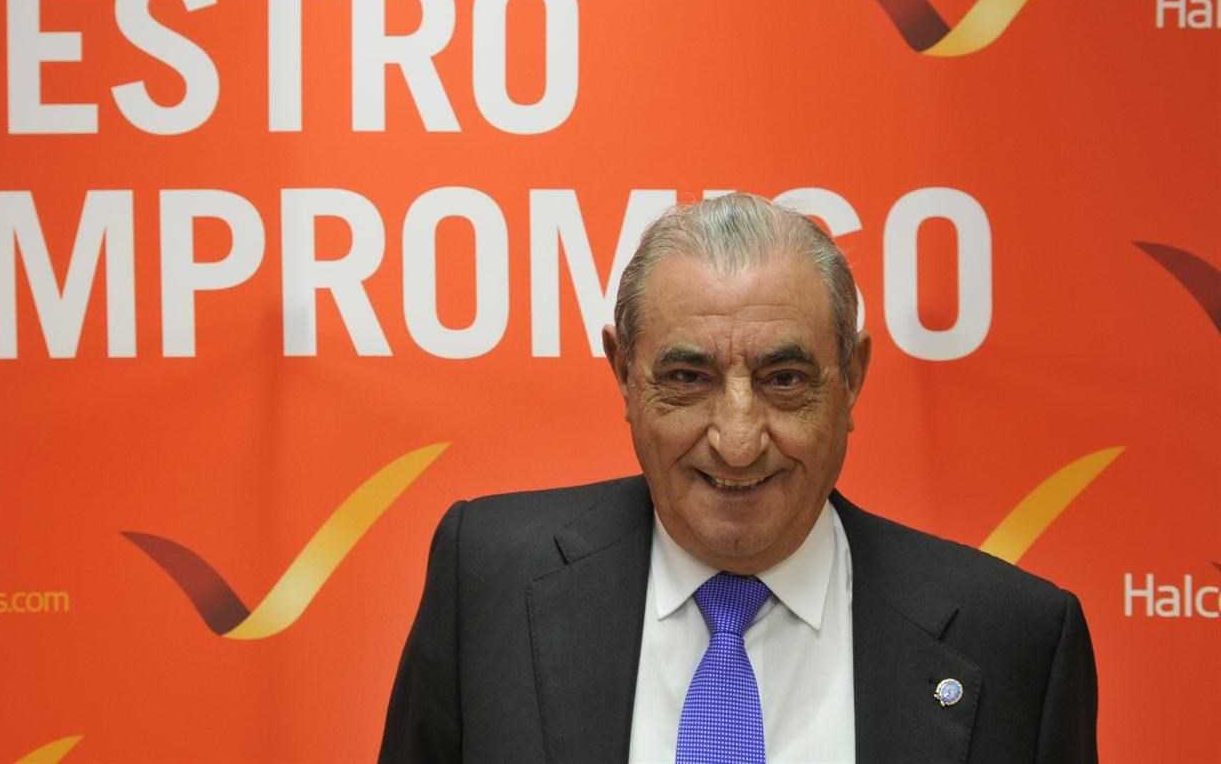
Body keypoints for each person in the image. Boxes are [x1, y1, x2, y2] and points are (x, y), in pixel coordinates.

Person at [379, 193, 1096, 763]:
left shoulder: (1014, 639)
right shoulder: (489, 579)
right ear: (624, 374)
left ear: (852, 379)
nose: (738, 441)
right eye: (688, 379)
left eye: (785, 379)